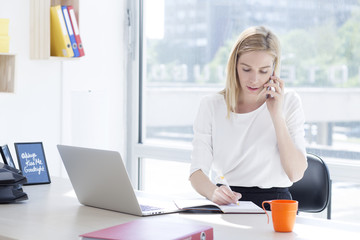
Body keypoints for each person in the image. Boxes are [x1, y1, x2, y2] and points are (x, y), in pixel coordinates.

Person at [189, 26, 308, 208]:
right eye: (246, 69)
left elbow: (296, 173)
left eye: (263, 71)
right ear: (234, 66)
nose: (254, 79)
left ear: (274, 69)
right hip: (227, 200)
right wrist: (213, 192)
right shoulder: (211, 105)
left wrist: (276, 115)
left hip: (275, 204)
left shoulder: (289, 102)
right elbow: (197, 172)